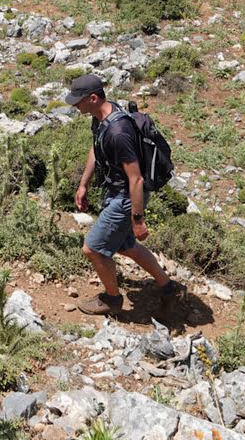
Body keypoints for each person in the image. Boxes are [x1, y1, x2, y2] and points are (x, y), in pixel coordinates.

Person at [66, 73, 184, 315]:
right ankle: (168, 289)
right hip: (116, 192)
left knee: (93, 249)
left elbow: (136, 178)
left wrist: (138, 220)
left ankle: (111, 300)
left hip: (126, 199)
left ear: (94, 98)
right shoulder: (101, 117)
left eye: (79, 101)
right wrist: (83, 184)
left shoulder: (118, 132)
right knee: (127, 246)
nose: (75, 105)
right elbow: (95, 147)